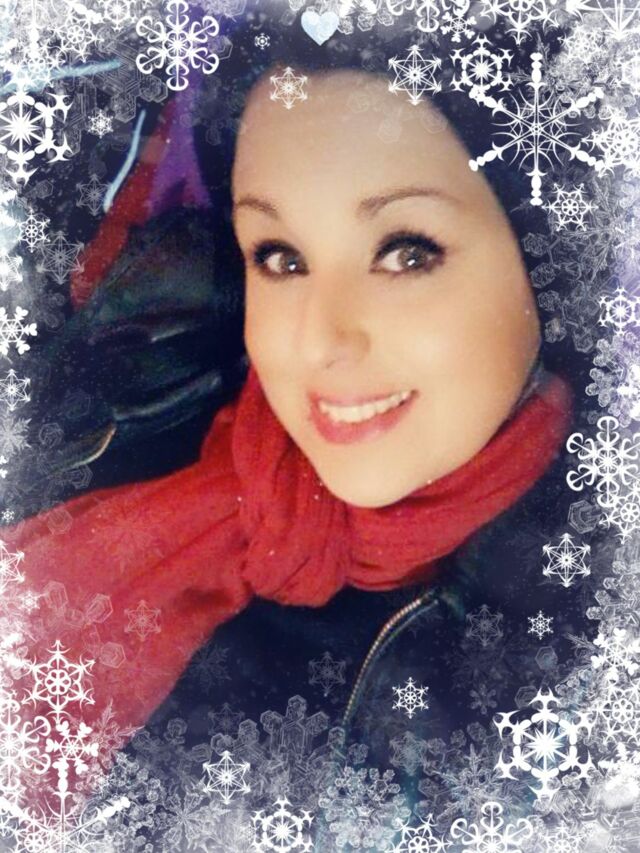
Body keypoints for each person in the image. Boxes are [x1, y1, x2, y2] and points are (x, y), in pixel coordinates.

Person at [2, 10, 603, 847]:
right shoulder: (133, 376)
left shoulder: (584, 682)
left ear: (544, 258)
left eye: (406, 251)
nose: (323, 340)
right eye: (280, 256)